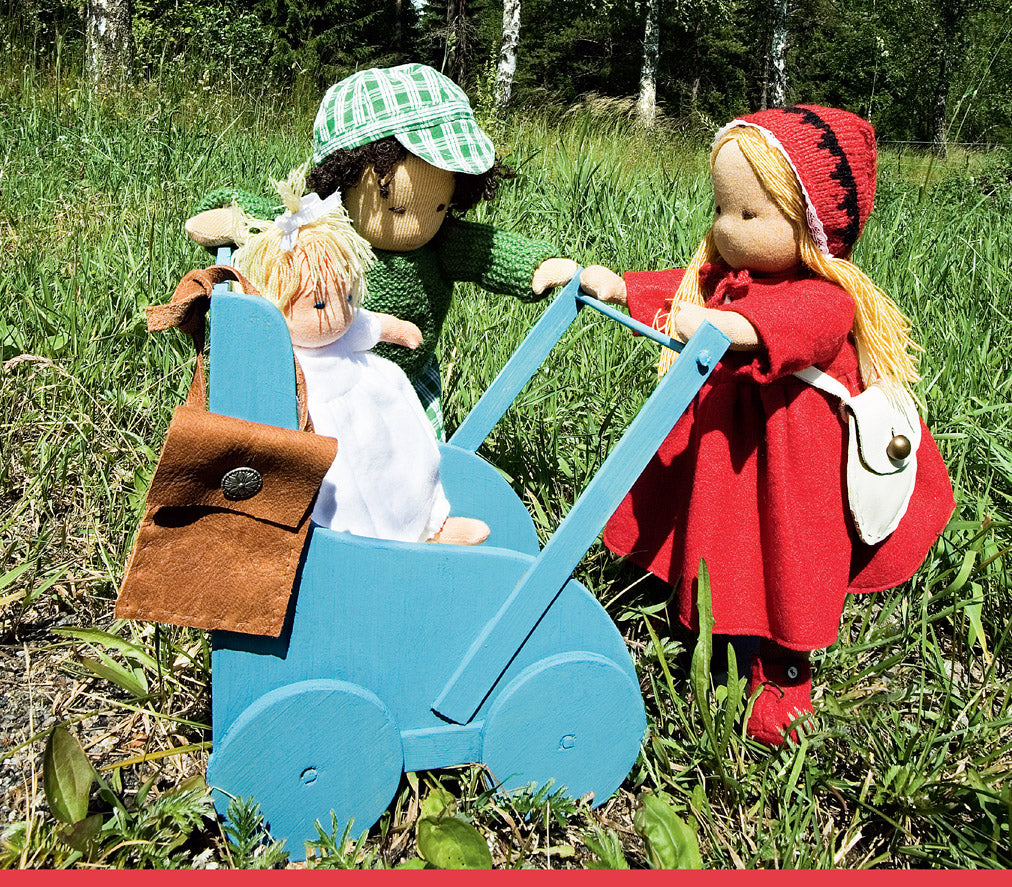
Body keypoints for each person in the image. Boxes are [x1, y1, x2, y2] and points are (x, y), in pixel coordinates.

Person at [581, 105, 955, 747]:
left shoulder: (826, 296)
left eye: (749, 214)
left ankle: (782, 672)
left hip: (791, 469)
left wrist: (728, 326)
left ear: (811, 224)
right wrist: (622, 287)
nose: (725, 228)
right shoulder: (732, 278)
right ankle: (715, 631)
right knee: (722, 544)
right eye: (722, 208)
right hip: (729, 453)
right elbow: (685, 289)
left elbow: (788, 325)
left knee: (785, 559)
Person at [187, 63, 578, 438]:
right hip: (322, 370)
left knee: (410, 459)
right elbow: (268, 217)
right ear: (344, 178)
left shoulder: (442, 243)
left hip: (407, 379)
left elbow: (491, 252)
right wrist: (235, 221)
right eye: (397, 209)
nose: (418, 226)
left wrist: (540, 266)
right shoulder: (324, 227)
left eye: (439, 207)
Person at [232, 169, 489, 546]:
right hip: (323, 423)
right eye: (321, 305)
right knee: (347, 489)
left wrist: (396, 329)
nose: (340, 313)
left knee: (404, 459)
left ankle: (430, 524)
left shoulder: (347, 325)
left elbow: (365, 324)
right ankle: (354, 547)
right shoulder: (280, 346)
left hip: (370, 401)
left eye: (349, 297)